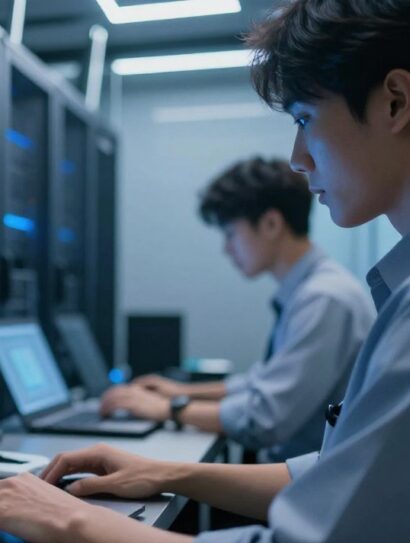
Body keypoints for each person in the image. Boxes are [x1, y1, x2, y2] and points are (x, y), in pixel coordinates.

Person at [0, 1, 410, 543]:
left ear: (395, 102)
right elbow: (339, 472)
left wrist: (69, 520)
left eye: (304, 118)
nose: (297, 158)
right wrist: (168, 473)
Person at [100, 157, 375, 462]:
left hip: (300, 492)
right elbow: (263, 382)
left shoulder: (324, 299)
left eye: (231, 233)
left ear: (271, 223)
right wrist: (180, 391)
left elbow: (264, 419)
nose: (227, 248)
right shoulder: (309, 291)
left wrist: (168, 408)